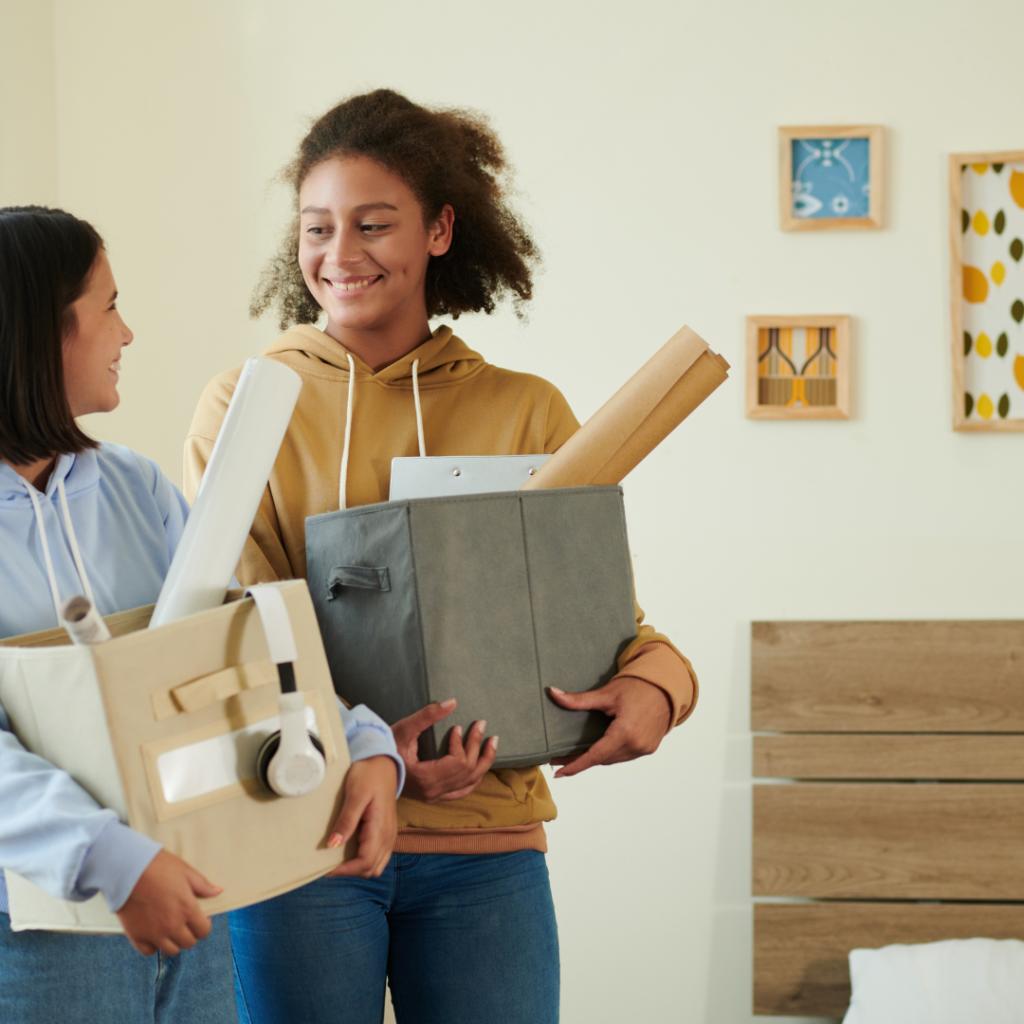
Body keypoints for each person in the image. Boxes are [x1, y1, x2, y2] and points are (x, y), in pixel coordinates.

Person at [185, 89, 698, 1024]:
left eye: (373, 224)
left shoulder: (529, 409)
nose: (339, 256)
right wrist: (373, 753)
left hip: (487, 855)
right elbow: (234, 627)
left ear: (440, 229)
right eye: (317, 228)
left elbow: (596, 620)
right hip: (307, 841)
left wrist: (661, 688)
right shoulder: (244, 404)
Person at [0, 206, 403, 1024]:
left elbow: (230, 654)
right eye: (109, 305)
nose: (129, 333)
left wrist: (363, 745)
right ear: (40, 333)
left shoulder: (135, 487)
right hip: (35, 933)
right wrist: (109, 859)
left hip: (190, 908)